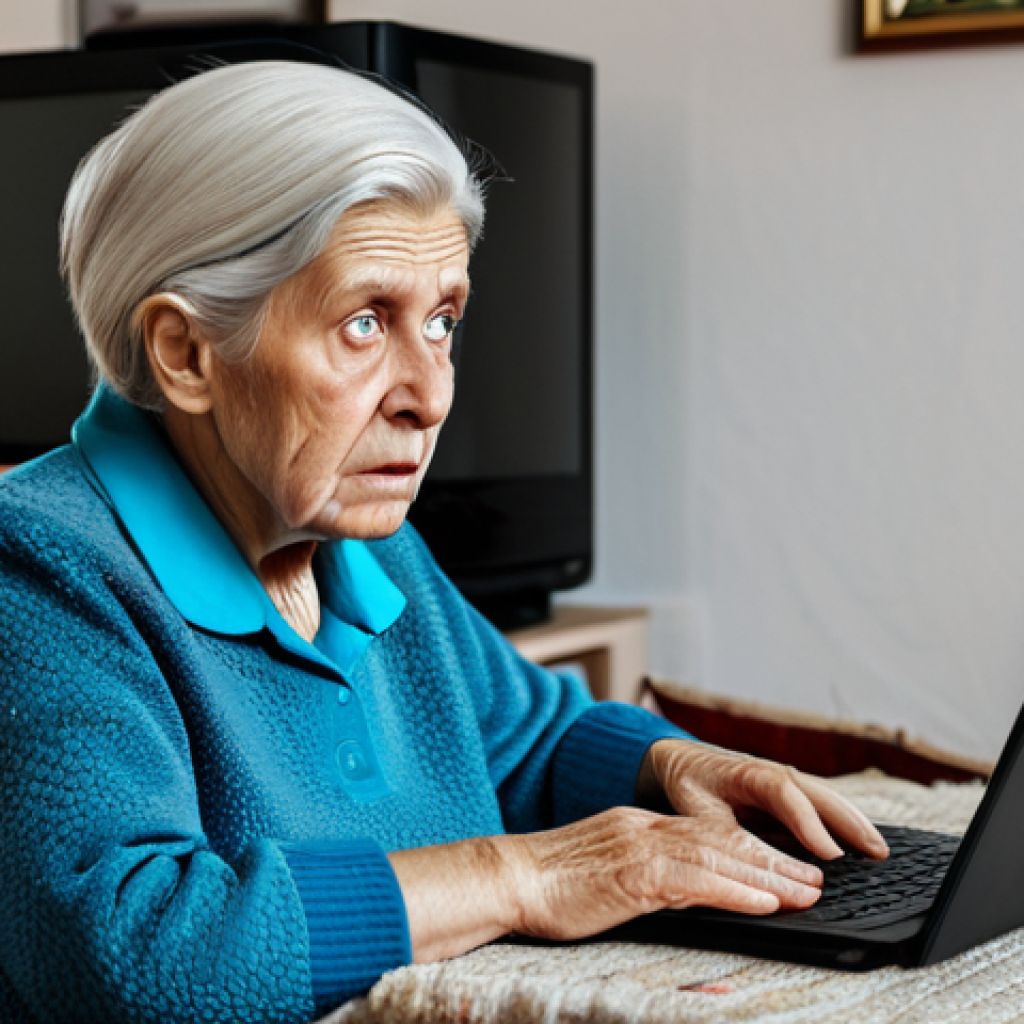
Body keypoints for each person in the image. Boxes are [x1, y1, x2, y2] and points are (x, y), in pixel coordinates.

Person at [0, 60, 888, 1024]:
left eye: (442, 320)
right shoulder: (43, 572)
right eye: (365, 322)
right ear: (186, 352)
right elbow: (134, 955)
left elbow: (522, 739)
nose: (429, 394)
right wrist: (523, 877)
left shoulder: (367, 549)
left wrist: (676, 766)